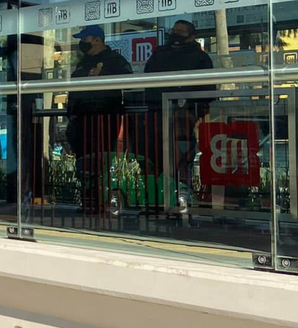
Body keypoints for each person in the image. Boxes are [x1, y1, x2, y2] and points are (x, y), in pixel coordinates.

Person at [142, 19, 214, 208]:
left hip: (184, 117)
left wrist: (196, 115)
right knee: (155, 158)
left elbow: (207, 90)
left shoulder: (200, 58)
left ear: (191, 36)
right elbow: (147, 80)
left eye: (181, 32)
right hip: (157, 115)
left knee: (181, 161)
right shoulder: (159, 53)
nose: (175, 34)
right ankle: (156, 201)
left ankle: (180, 201)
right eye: (174, 31)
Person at [66, 26, 133, 214]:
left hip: (105, 116)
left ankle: (101, 201)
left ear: (97, 39)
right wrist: (71, 113)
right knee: (84, 161)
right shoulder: (83, 63)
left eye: (85, 38)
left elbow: (129, 83)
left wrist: (102, 76)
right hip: (81, 119)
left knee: (101, 160)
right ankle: (87, 201)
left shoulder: (115, 61)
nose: (82, 43)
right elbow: (74, 90)